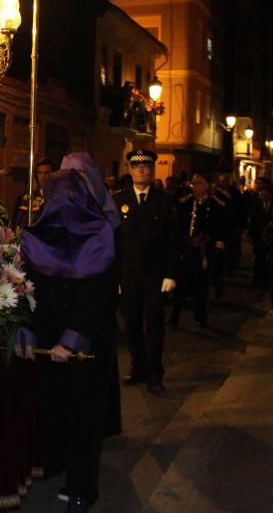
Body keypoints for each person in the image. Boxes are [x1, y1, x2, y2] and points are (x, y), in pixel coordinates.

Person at [17, 153, 121, 512]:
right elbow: (28, 290)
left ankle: (82, 486)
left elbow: (99, 298)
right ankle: (55, 461)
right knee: (53, 407)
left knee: (84, 416)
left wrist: (73, 337)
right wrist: (27, 331)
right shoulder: (39, 234)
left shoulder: (100, 236)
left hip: (88, 344)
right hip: (49, 340)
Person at [113, 149, 178, 397]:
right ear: (130, 170)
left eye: (146, 167)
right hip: (128, 275)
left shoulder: (164, 200)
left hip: (154, 275)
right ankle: (137, 367)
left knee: (154, 325)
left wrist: (170, 274)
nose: (141, 171)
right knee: (130, 324)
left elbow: (173, 241)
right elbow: (114, 242)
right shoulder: (118, 200)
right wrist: (114, 277)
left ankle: (154, 374)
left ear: (152, 171)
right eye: (137, 167)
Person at [172, 173, 226, 328]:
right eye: (193, 183)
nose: (195, 186)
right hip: (187, 249)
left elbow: (220, 229)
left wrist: (216, 246)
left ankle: (200, 315)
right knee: (180, 283)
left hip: (204, 251)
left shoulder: (215, 205)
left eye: (199, 183)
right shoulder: (186, 203)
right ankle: (175, 314)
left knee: (201, 285)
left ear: (207, 185)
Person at [12, 157, 54, 229]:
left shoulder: (58, 196)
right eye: (39, 173)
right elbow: (19, 223)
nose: (43, 177)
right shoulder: (27, 198)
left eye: (46, 173)